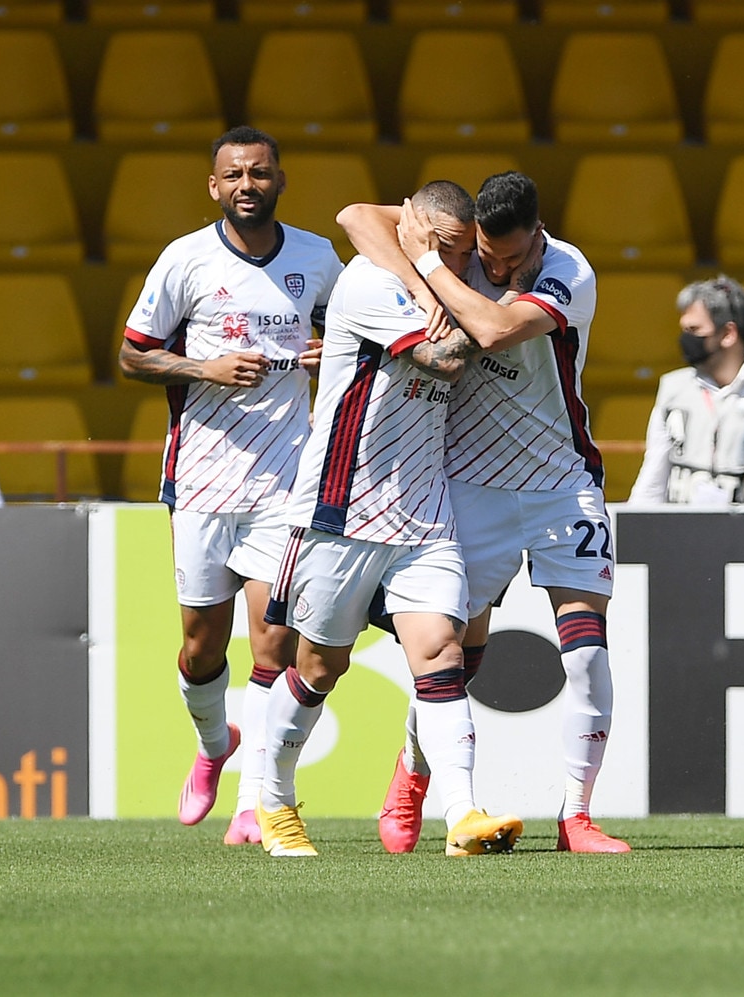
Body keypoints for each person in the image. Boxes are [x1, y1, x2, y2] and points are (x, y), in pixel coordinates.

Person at [338, 172, 622, 853]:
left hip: (561, 482)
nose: (494, 269)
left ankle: (576, 818)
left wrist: (431, 266)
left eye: (509, 259)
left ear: (539, 235)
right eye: (484, 257)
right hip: (469, 484)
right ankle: (411, 777)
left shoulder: (567, 271)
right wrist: (420, 276)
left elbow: (494, 330)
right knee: (456, 662)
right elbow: (355, 215)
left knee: (586, 654)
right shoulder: (461, 247)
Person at [257, 180, 523, 858]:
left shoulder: (438, 280)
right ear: (417, 232)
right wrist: (489, 315)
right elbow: (443, 361)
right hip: (340, 508)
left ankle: (461, 815)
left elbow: (368, 217)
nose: (462, 265)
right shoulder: (370, 285)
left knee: (442, 654)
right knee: (320, 666)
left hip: (424, 511)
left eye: (465, 253)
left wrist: (447, 285)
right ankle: (274, 801)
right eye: (449, 249)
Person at [117, 126, 341, 846]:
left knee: (272, 645)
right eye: (235, 175)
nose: (248, 184)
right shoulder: (185, 259)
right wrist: (203, 368)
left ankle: (254, 804)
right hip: (203, 480)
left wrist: (333, 354)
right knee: (200, 646)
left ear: (280, 180)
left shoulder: (317, 257)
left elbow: (354, 338)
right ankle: (215, 746)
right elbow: (133, 356)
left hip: (285, 482)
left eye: (260, 172)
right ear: (215, 186)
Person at [630, 276, 744, 507]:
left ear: (728, 334)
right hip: (682, 526)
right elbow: (653, 475)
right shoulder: (673, 389)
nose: (685, 339)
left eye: (694, 329)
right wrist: (637, 520)